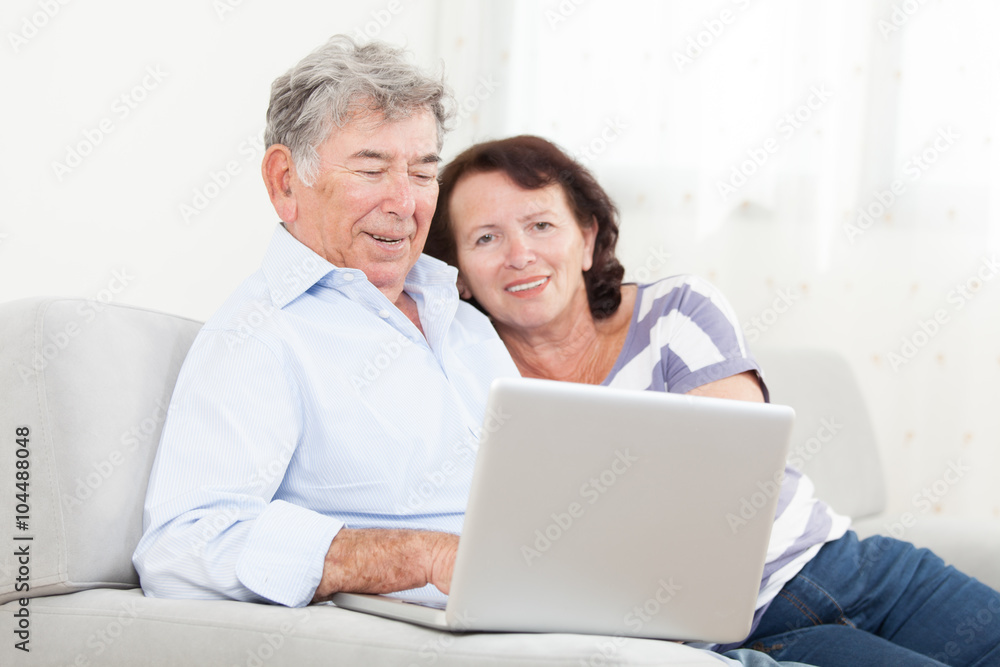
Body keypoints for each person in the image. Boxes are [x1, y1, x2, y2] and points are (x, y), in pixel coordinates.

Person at [422, 134, 1000, 666]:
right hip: (746, 629)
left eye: (542, 225)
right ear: (461, 277)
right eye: (486, 238)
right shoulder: (472, 385)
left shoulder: (678, 311)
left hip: (850, 566)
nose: (520, 254)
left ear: (587, 239)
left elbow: (737, 478)